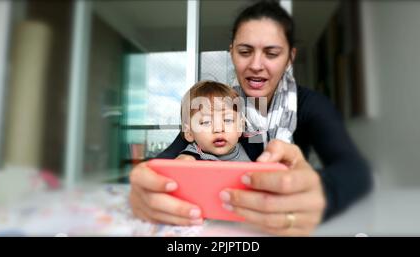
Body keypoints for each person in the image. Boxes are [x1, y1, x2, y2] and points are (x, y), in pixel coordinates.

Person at [129, 1, 373, 236]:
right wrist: (146, 186)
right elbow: (166, 163)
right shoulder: (218, 106)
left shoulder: (311, 105)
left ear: (290, 57)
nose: (256, 65)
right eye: (245, 51)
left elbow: (356, 172)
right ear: (231, 53)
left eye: (272, 53)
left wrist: (322, 194)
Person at [179, 80, 250, 162]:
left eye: (227, 120)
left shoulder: (251, 151)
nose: (218, 129)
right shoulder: (190, 159)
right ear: (189, 133)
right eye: (206, 122)